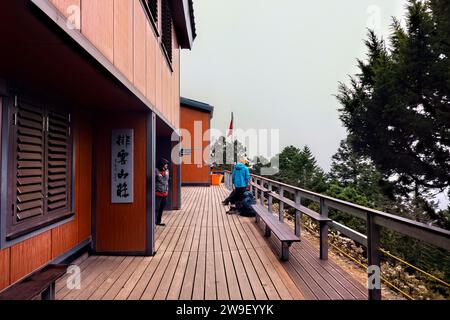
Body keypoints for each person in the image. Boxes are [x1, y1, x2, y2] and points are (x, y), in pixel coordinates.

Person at [155, 158, 169, 226]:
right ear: (162, 165)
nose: (166, 166)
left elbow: (165, 180)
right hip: (157, 193)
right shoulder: (155, 171)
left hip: (165, 193)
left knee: (161, 208)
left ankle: (158, 221)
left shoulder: (166, 171)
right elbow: (162, 181)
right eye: (165, 165)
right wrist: (159, 176)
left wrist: (160, 176)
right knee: (156, 208)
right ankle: (154, 222)